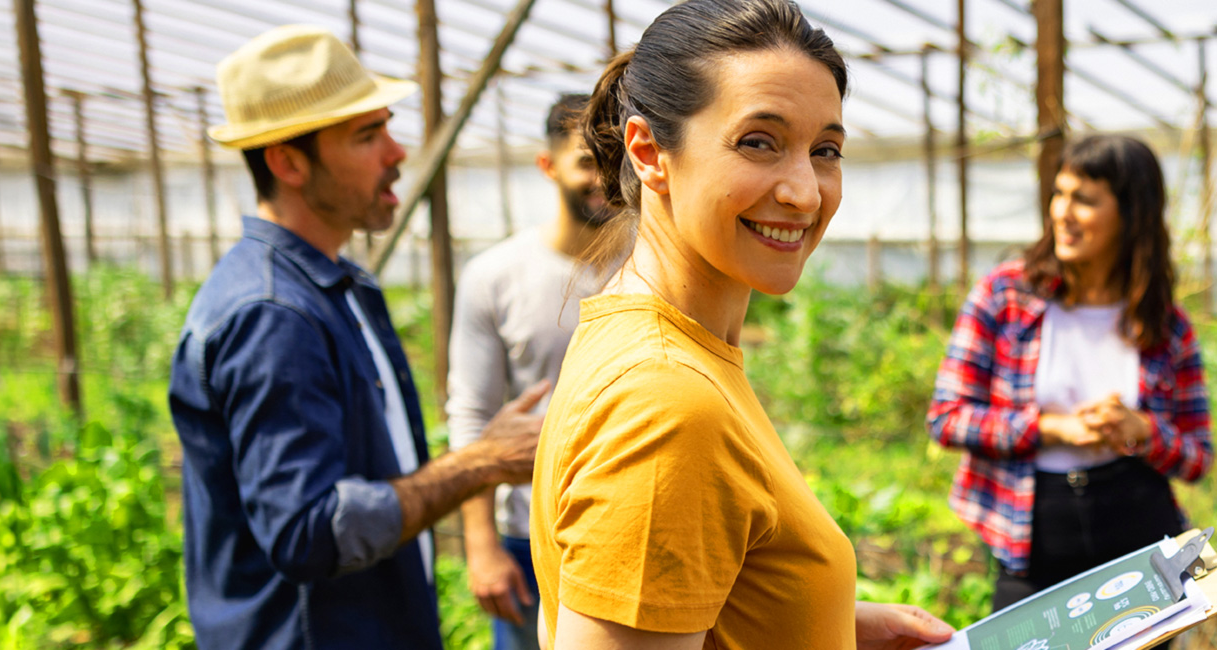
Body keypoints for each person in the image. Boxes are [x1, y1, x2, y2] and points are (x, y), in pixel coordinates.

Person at [529, 1, 956, 648]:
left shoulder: (662, 346)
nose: (805, 192)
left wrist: (820, 625)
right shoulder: (667, 402)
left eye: (826, 151)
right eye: (759, 142)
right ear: (648, 152)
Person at [169, 25, 546, 650]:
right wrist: (479, 462)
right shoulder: (273, 314)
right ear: (288, 162)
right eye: (367, 136)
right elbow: (307, 531)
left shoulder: (335, 286)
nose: (396, 153)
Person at [928, 135, 1213, 622]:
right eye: (1059, 194)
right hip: (1029, 539)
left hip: (1138, 537)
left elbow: (1197, 458)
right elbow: (947, 418)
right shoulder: (1005, 296)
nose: (1062, 211)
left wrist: (1145, 432)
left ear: (1132, 212)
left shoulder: (1164, 324)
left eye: (1084, 199)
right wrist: (1054, 428)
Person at [447, 92, 611, 650]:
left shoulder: (654, 265)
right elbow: (472, 415)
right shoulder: (495, 276)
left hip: (630, 526)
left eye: (617, 160)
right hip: (530, 534)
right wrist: (480, 543)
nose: (605, 179)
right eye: (588, 161)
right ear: (548, 166)